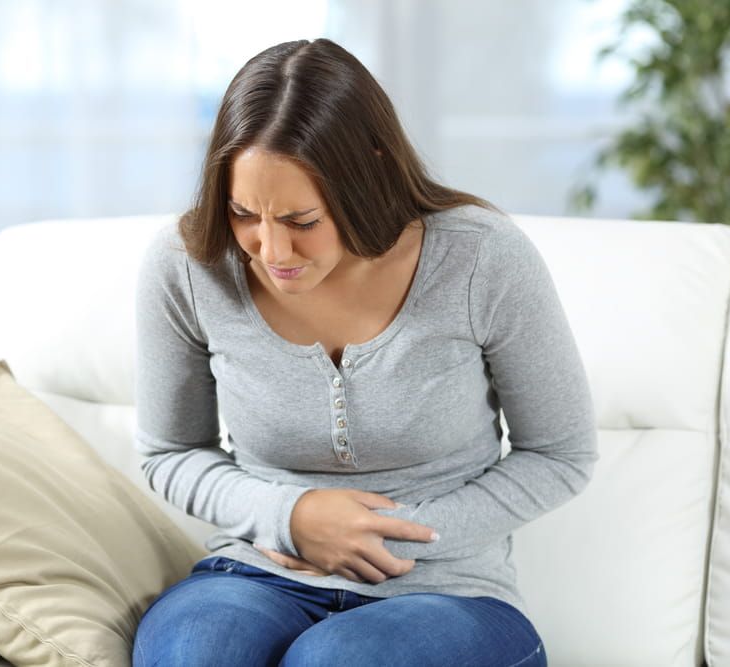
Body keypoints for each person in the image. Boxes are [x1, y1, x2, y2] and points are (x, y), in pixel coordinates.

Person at [131, 37, 597, 667]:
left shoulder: (481, 257)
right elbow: (171, 452)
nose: (271, 251)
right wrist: (289, 516)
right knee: (198, 651)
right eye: (245, 213)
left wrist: (384, 534)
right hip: (255, 572)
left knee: (336, 659)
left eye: (301, 221)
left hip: (447, 592)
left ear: (368, 169)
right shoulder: (187, 265)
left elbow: (560, 454)